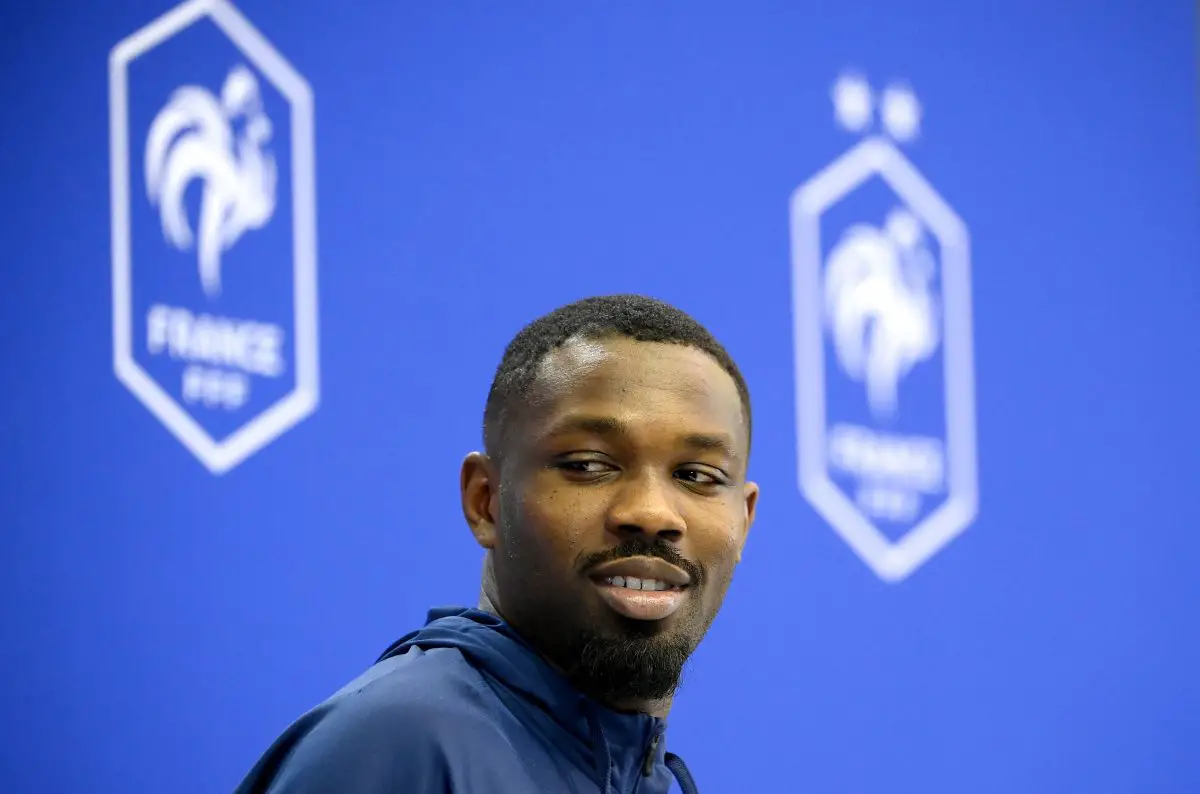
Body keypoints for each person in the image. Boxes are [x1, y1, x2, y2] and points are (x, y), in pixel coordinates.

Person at [234, 294, 760, 793]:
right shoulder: (398, 744)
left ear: (744, 521)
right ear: (485, 500)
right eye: (588, 465)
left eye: (697, 474)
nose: (651, 513)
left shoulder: (647, 776)